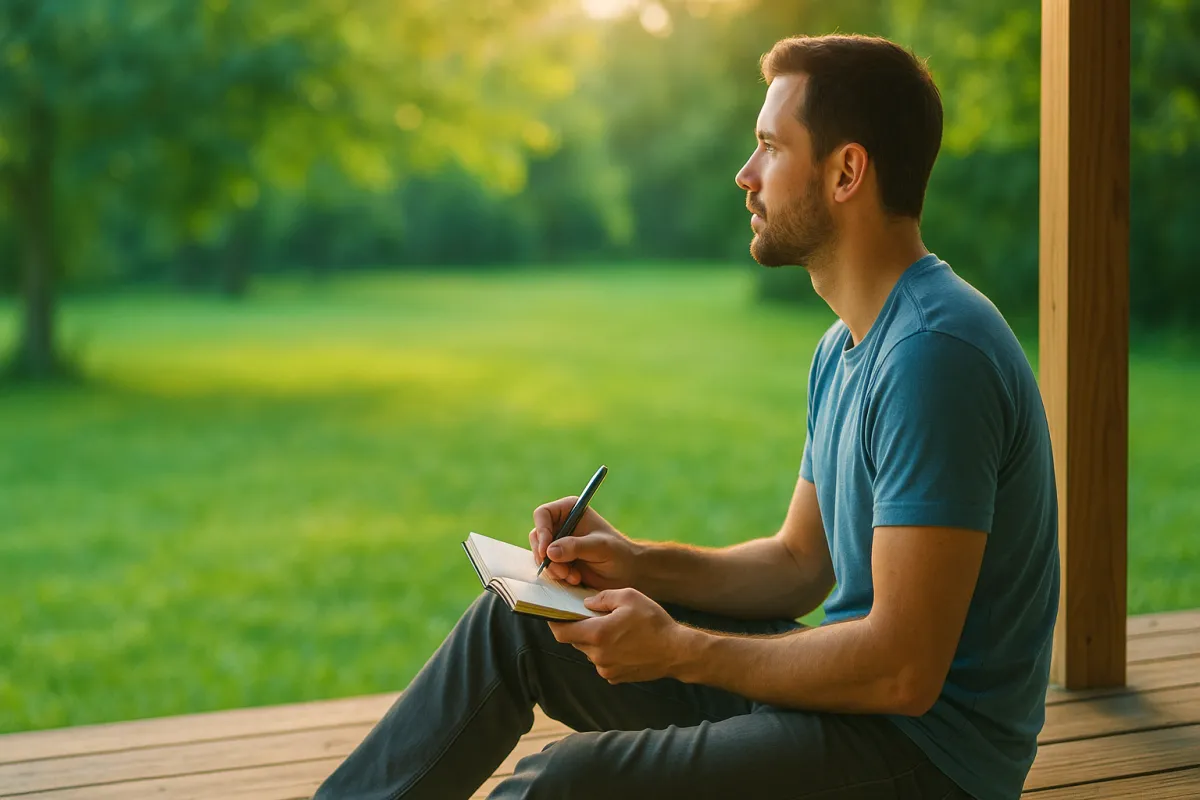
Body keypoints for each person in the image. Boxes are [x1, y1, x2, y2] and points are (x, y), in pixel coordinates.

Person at [315, 33, 1058, 800]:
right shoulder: (847, 347)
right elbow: (799, 564)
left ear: (845, 172)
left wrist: (678, 649)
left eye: (771, 146)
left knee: (571, 785)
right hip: (858, 705)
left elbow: (904, 671)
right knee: (519, 624)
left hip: (930, 759)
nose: (745, 175)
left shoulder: (934, 355)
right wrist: (637, 564)